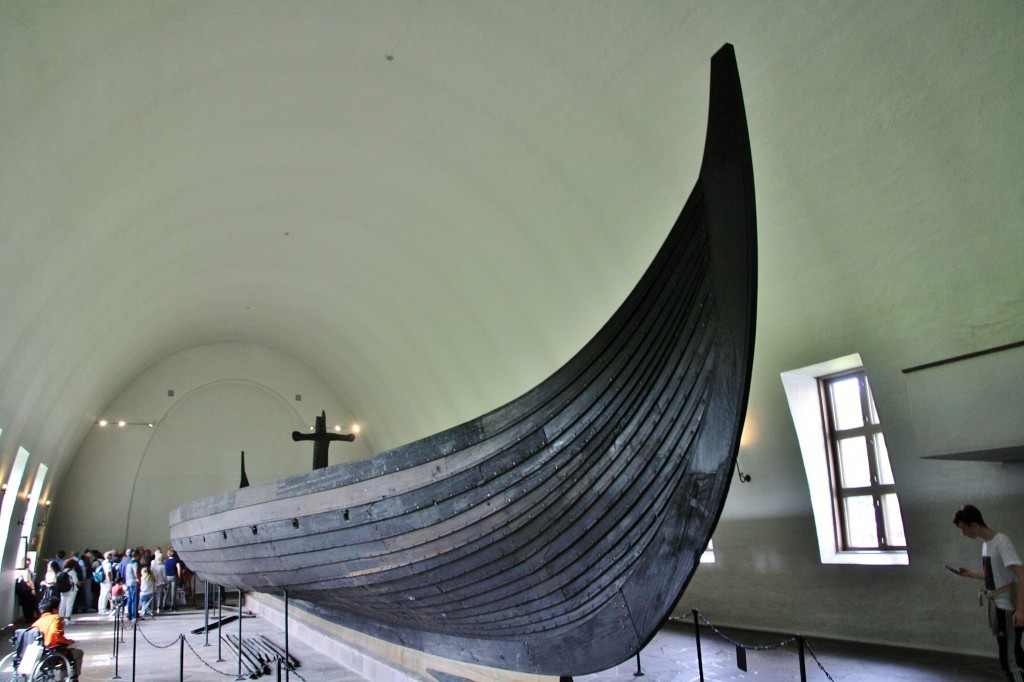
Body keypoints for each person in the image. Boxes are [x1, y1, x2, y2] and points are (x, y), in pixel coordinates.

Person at [953, 504, 1024, 681]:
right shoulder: (986, 545)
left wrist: (1021, 610)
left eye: (963, 529)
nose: (963, 533)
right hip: (998, 607)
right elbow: (990, 576)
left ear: (974, 525)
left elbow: (1020, 574)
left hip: (1009, 608)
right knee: (1011, 654)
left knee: (1010, 658)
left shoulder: (1001, 542)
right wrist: (969, 573)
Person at [31, 597, 84, 678]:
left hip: (39, 654)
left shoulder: (36, 623)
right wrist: (68, 642)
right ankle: (72, 677)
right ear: (54, 609)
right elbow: (56, 635)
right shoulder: (55, 618)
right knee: (78, 652)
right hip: (52, 653)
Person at [15, 556, 38, 623]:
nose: (28, 562)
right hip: (27, 589)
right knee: (30, 604)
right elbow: (27, 580)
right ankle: (29, 618)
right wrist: (33, 589)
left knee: (27, 604)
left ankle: (29, 618)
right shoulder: (25, 571)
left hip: (23, 590)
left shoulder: (22, 570)